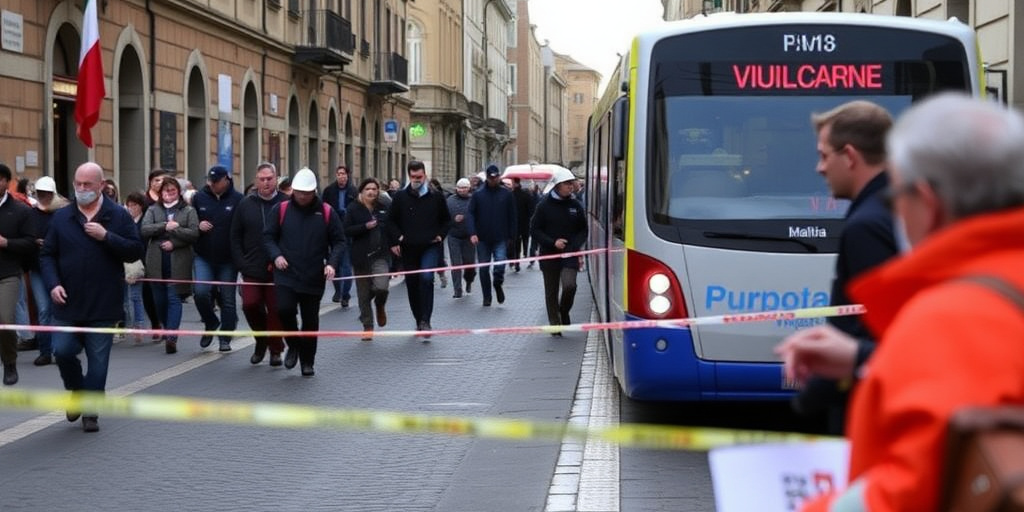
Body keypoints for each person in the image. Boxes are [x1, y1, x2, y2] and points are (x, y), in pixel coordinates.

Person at [778, 94, 1024, 512]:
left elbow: (903, 494)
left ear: (927, 204)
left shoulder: (946, 317)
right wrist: (861, 358)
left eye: (896, 197)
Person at [790, 100, 899, 435]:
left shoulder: (866, 226)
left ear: (850, 156)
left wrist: (812, 394)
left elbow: (871, 328)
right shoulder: (896, 206)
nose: (819, 168)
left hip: (867, 405)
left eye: (824, 155)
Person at [40, 162, 144, 431]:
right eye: (78, 184)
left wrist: (106, 236)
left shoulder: (117, 216)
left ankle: (90, 411)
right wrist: (53, 284)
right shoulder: (63, 217)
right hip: (67, 302)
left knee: (98, 362)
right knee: (62, 351)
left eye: (88, 184)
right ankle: (76, 390)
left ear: (101, 186)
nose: (82, 189)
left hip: (103, 303)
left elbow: (134, 250)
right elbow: (47, 254)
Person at [263, 168, 344, 376]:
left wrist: (332, 263)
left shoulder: (326, 212)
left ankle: (308, 361)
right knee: (284, 310)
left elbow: (339, 242)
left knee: (310, 321)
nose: (302, 196)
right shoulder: (280, 210)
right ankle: (293, 344)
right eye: (298, 192)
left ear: (314, 192)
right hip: (286, 273)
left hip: (313, 275)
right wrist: (276, 256)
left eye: (306, 193)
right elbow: (268, 237)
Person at [230, 162, 287, 366]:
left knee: (275, 310)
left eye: (269, 179)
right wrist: (241, 263)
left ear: (276, 179)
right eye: (262, 179)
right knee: (250, 304)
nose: (265, 183)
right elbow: (235, 237)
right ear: (256, 181)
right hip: (251, 267)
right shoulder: (245, 204)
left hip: (279, 268)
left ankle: (276, 350)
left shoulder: (285, 203)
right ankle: (261, 340)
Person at [387, 161, 451, 338]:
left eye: (420, 177)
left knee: (426, 277)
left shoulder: (436, 196)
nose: (417, 180)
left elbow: (446, 220)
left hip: (430, 246)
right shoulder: (400, 197)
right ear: (409, 176)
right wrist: (398, 238)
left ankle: (426, 320)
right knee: (413, 284)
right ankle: (418, 318)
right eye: (413, 177)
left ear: (425, 175)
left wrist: (440, 235)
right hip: (409, 248)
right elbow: (391, 221)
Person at [140, 177, 199, 354]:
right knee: (159, 300)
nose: (169, 194)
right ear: (160, 193)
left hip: (178, 260)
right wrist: (165, 226)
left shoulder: (188, 210)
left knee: (174, 299)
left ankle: (172, 336)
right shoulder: (152, 209)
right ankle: (167, 327)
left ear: (179, 192)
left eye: (172, 190)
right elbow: (145, 230)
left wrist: (175, 235)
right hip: (156, 260)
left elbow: (194, 234)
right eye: (165, 190)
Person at [191, 165, 243, 352]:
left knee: (228, 299)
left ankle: (225, 337)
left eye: (216, 182)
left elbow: (242, 229)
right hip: (203, 255)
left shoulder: (238, 200)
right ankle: (211, 322)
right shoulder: (199, 198)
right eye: (210, 181)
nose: (212, 185)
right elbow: (188, 223)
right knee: (201, 292)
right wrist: (197, 225)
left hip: (228, 259)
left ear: (226, 180)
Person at [530, 167, 587, 336]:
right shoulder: (544, 205)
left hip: (570, 254)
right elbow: (534, 229)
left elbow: (583, 230)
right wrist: (552, 242)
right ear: (557, 186)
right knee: (551, 291)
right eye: (567, 184)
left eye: (572, 183)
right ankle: (555, 324)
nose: (571, 187)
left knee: (570, 285)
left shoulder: (575, 205)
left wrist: (574, 246)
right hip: (549, 255)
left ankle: (564, 310)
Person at [343, 178, 396, 340]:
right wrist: (365, 227)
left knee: (382, 287)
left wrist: (395, 244)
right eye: (367, 189)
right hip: (361, 257)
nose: (371, 192)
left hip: (381, 256)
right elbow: (346, 230)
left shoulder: (384, 207)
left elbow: (392, 227)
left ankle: (380, 305)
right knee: (363, 295)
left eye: (374, 189)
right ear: (362, 192)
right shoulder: (353, 208)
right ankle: (368, 326)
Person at [25, 176, 70, 364]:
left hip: (58, 268)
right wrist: (34, 241)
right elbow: (23, 237)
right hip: (37, 268)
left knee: (57, 309)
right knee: (44, 309)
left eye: (47, 193)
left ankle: (60, 348)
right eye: (40, 193)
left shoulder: (62, 213)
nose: (43, 196)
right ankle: (45, 351)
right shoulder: (29, 214)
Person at [0, 163, 37, 385]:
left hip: (8, 274)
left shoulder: (21, 210)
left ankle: (10, 362)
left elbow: (31, 243)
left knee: (5, 318)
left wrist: (7, 243)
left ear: (6, 182)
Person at [468, 164, 517, 307]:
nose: (494, 180)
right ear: (487, 178)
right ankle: (487, 296)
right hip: (482, 238)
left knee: (500, 264)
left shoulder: (506, 194)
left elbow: (512, 216)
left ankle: (498, 283)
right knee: (483, 269)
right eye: (491, 178)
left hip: (500, 237)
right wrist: (472, 233)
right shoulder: (478, 194)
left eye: (496, 177)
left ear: (499, 176)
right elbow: (470, 214)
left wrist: (512, 236)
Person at [321, 165, 357, 306]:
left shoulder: (353, 191)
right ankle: (338, 290)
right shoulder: (329, 191)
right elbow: (323, 209)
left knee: (346, 265)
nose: (341, 176)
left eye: (343, 174)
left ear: (347, 176)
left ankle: (346, 294)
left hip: (347, 232)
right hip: (332, 231)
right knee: (334, 263)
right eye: (338, 173)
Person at [122, 192, 147, 344]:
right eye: (129, 205)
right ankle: (127, 325)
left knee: (135, 296)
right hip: (125, 263)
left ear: (141, 206)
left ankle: (139, 325)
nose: (131, 208)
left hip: (138, 264)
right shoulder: (126, 221)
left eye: (134, 205)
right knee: (124, 297)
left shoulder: (144, 221)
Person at [446, 178, 476, 298]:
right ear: (456, 188)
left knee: (469, 263)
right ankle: (457, 289)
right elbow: (444, 219)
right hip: (454, 236)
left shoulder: (474, 200)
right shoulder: (449, 201)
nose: (462, 190)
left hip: (469, 237)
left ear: (469, 188)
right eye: (460, 188)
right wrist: (453, 220)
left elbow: (478, 217)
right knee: (456, 264)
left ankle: (469, 281)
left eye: (465, 188)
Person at [511, 178, 535, 273]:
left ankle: (516, 261)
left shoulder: (511, 195)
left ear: (514, 183)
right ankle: (525, 253)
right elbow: (531, 210)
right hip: (524, 223)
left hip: (514, 223)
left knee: (516, 243)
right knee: (524, 239)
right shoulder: (527, 195)